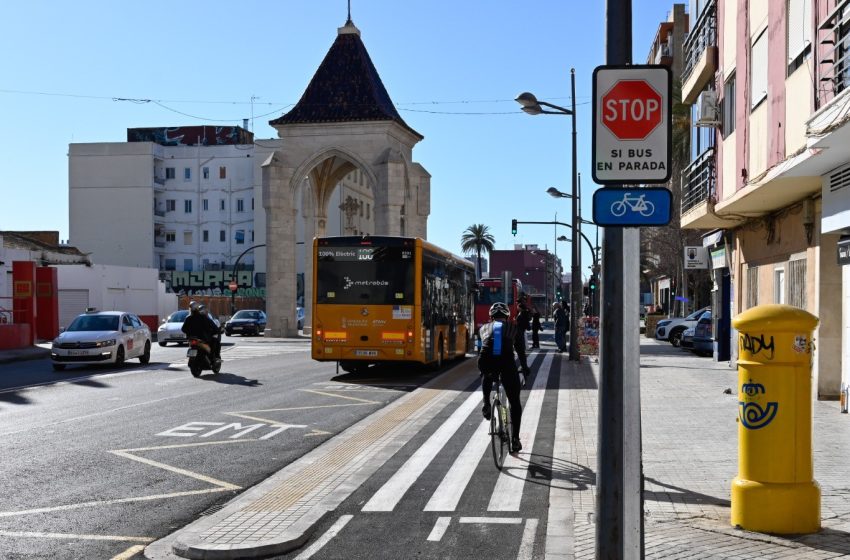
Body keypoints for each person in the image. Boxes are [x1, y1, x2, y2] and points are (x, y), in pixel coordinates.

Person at [478, 302, 530, 452]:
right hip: (507, 364)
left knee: (486, 373)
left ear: (491, 317)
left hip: (485, 361)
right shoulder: (514, 328)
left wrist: (484, 370)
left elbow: (482, 348)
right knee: (514, 402)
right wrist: (525, 368)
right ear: (507, 316)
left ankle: (486, 404)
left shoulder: (483, 328)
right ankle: (515, 440)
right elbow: (520, 352)